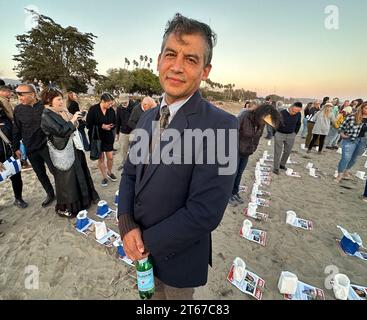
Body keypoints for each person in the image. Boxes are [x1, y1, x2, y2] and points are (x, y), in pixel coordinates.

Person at [117, 13, 238, 300]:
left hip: (179, 256)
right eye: (171, 54)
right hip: (138, 246)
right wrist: (126, 224)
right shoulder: (147, 118)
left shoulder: (222, 125)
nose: (177, 67)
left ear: (205, 71)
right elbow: (130, 174)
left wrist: (144, 241)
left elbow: (205, 213)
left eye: (191, 59)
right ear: (159, 60)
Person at [40, 88, 99, 217]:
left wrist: (76, 120)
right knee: (68, 181)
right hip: (62, 153)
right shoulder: (46, 115)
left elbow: (70, 128)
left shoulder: (60, 111)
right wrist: (72, 121)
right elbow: (61, 132)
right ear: (49, 101)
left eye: (62, 99)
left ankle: (86, 200)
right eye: (58, 99)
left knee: (81, 173)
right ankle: (70, 207)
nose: (62, 102)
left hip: (74, 148)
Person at [13, 84, 56, 207]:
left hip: (46, 145)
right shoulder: (18, 110)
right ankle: (50, 194)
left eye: (21, 95)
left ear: (32, 94)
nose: (19, 98)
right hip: (30, 148)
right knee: (40, 173)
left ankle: (63, 193)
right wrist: (16, 147)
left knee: (55, 171)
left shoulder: (44, 106)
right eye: (17, 94)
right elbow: (16, 129)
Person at [229, 104, 280, 206]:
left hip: (246, 151)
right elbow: (231, 131)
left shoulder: (261, 123)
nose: (265, 123)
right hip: (235, 150)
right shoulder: (244, 116)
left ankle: (235, 192)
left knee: (239, 174)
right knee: (232, 175)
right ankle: (228, 195)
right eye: (265, 120)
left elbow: (257, 137)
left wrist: (253, 148)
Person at [0, 85, 28, 208]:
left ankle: (18, 198)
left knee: (16, 177)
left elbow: (14, 134)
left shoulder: (7, 121)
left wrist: (16, 148)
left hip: (10, 152)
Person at [86, 92, 117, 187]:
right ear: (103, 101)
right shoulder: (93, 109)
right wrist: (101, 126)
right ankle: (104, 177)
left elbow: (114, 122)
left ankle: (109, 172)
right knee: (101, 158)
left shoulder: (111, 110)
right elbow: (88, 125)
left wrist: (110, 127)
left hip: (108, 137)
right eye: (109, 103)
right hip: (97, 138)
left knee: (110, 157)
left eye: (111, 103)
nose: (111, 105)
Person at [335, 102, 367, 183]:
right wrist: (342, 135)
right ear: (362, 108)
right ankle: (340, 174)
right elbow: (341, 127)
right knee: (346, 158)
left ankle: (346, 170)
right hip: (350, 140)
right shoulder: (352, 116)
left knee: (354, 159)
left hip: (363, 141)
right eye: (366, 108)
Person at [273, 102, 302, 174]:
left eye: (297, 111)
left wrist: (295, 133)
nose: (294, 113)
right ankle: (276, 168)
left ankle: (282, 165)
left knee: (287, 151)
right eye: (293, 111)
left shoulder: (298, 114)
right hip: (279, 134)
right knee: (278, 152)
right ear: (291, 107)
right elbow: (274, 123)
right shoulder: (281, 113)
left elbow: (298, 124)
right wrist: (275, 133)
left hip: (291, 135)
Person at [115, 99, 133, 171]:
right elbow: (117, 121)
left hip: (133, 131)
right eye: (122, 102)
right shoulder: (119, 108)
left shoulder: (134, 106)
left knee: (134, 148)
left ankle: (133, 164)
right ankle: (124, 163)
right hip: (123, 132)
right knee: (123, 149)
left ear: (128, 100)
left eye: (125, 102)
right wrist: (117, 133)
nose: (124, 104)